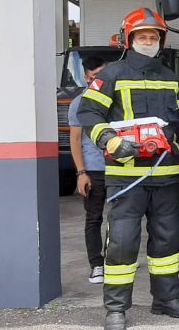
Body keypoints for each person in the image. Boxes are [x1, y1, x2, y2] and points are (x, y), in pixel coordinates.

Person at [78, 8, 179, 330]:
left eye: (153, 36)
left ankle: (166, 299)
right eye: (142, 36)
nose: (147, 41)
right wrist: (109, 141)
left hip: (167, 176)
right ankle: (116, 308)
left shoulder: (171, 78)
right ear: (129, 39)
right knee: (123, 241)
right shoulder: (112, 74)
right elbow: (88, 112)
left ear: (161, 40)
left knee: (168, 240)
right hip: (127, 177)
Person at [68, 55, 107, 284]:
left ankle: (116, 258)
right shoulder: (78, 104)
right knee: (94, 218)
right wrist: (81, 173)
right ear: (85, 77)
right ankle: (96, 264)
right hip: (93, 170)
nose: (97, 81)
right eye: (93, 77)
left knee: (121, 218)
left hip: (119, 168)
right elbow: (75, 140)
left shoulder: (116, 99)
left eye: (101, 76)